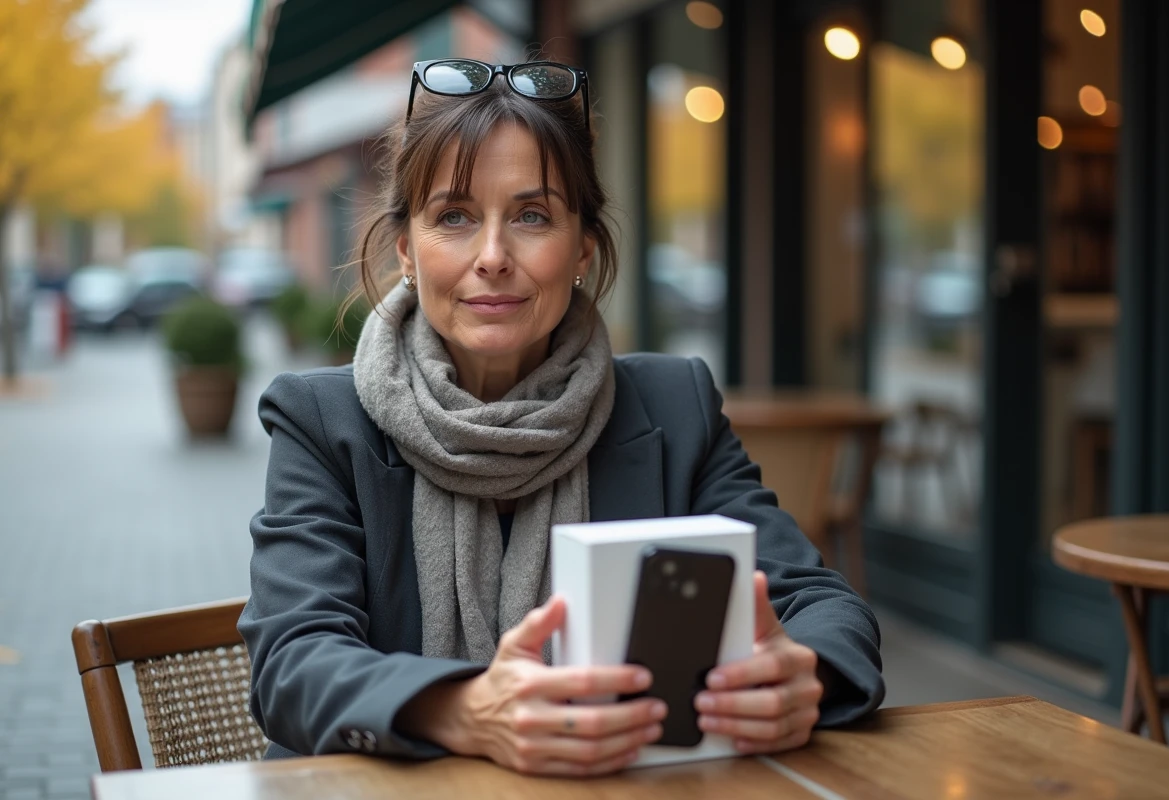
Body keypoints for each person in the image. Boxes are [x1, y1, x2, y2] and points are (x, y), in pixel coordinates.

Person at [239, 58, 884, 778]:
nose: (492, 257)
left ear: (582, 248)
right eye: (454, 217)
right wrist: (467, 710)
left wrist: (804, 674)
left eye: (532, 216)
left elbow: (821, 604)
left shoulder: (674, 407)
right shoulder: (321, 421)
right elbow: (292, 663)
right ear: (407, 251)